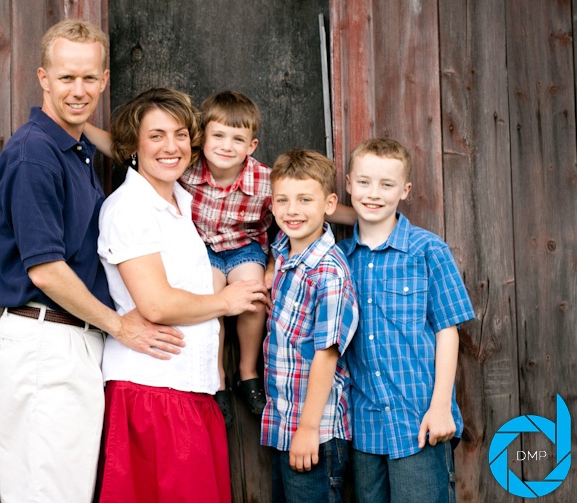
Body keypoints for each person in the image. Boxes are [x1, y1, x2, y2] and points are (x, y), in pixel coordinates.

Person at [0, 20, 184, 503]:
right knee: (48, 494)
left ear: (103, 80)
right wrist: (121, 326)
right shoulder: (35, 155)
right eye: (67, 77)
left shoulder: (72, 150)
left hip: (69, 342)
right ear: (43, 77)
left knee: (65, 491)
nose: (79, 90)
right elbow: (46, 270)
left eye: (89, 78)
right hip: (46, 341)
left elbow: (130, 150)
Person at [87, 90, 357, 425]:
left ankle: (247, 372)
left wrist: (364, 215)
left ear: (251, 145)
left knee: (255, 297)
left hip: (245, 248)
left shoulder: (263, 179)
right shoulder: (186, 168)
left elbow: (309, 201)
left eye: (237, 139)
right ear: (203, 140)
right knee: (209, 299)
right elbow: (124, 145)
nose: (227, 146)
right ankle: (218, 379)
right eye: (218, 136)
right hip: (207, 250)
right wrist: (82, 127)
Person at [95, 87, 268, 503]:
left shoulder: (180, 204)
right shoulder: (130, 208)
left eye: (180, 134)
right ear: (132, 145)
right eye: (156, 136)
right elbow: (157, 304)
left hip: (191, 388)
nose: (171, 147)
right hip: (153, 389)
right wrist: (226, 301)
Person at [337, 138, 475, 502]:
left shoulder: (427, 249)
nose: (373, 193)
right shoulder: (339, 259)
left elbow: (448, 329)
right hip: (365, 426)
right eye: (363, 182)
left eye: (387, 184)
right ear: (348, 184)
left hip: (419, 421)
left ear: (405, 190)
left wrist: (441, 405)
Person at [261, 148, 359, 503]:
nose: (292, 210)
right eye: (283, 200)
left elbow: (326, 355)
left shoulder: (328, 272)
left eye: (305, 199)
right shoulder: (284, 250)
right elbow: (277, 248)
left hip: (316, 429)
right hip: (284, 424)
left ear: (329, 204)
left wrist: (308, 428)